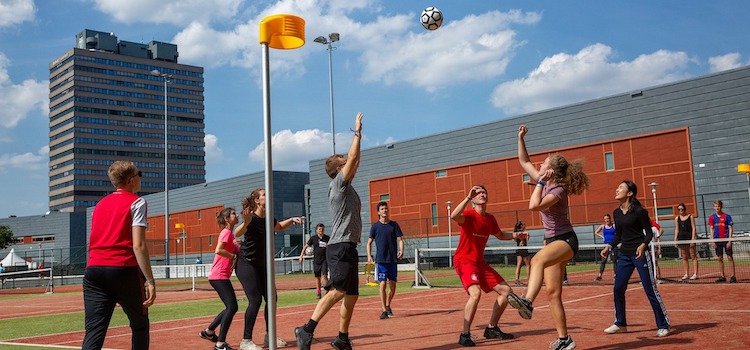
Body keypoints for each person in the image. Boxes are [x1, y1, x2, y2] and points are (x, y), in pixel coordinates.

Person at [507, 125, 589, 350]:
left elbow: (533, 206)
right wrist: (520, 138)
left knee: (536, 260)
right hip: (553, 241)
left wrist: (540, 182)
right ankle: (565, 339)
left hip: (566, 240)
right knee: (553, 294)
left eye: (544, 162)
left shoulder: (558, 190)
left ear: (551, 170)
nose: (540, 163)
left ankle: (528, 302)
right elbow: (524, 162)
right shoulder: (546, 182)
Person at [295, 112, 364, 350]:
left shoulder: (348, 187)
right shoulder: (338, 185)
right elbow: (354, 158)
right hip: (341, 246)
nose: (349, 162)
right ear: (338, 169)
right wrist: (357, 132)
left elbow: (355, 160)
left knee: (351, 295)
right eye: (344, 161)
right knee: (337, 291)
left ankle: (342, 338)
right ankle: (306, 330)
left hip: (349, 246)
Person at [82, 161, 156, 350]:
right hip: (123, 269)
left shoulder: (99, 205)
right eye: (139, 174)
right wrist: (150, 281)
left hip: (94, 271)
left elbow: (94, 241)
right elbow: (138, 245)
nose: (141, 177)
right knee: (139, 325)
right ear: (131, 180)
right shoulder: (137, 202)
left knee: (94, 331)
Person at [234, 189, 303, 350]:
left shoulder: (269, 217)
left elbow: (278, 227)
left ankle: (269, 335)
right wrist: (245, 222)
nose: (268, 195)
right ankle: (246, 340)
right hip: (246, 263)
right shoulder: (251, 217)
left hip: (262, 265)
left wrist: (292, 219)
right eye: (264, 194)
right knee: (256, 300)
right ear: (257, 201)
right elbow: (237, 232)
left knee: (272, 299)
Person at [600, 180, 670, 338]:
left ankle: (663, 325)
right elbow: (618, 235)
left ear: (629, 193)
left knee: (649, 289)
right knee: (618, 288)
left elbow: (650, 233)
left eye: (621, 188)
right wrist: (609, 247)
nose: (617, 189)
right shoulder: (616, 213)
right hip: (624, 254)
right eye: (618, 187)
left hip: (639, 254)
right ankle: (620, 323)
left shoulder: (639, 211)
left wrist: (643, 245)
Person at [452, 185, 517, 347]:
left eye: (484, 192)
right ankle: (465, 334)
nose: (482, 194)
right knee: (475, 293)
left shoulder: (490, 219)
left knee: (506, 291)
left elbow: (501, 235)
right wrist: (467, 197)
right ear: (473, 199)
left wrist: (517, 235)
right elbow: (454, 216)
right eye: (478, 193)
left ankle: (491, 328)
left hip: (480, 263)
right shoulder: (468, 215)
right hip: (464, 261)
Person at [200, 208, 241, 350]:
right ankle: (220, 344)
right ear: (226, 219)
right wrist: (233, 256)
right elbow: (218, 250)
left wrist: (237, 247)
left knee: (231, 307)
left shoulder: (231, 234)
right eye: (234, 214)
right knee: (232, 307)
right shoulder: (226, 232)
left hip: (220, 276)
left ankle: (209, 332)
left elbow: (229, 249)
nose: (237, 215)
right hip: (219, 276)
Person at [366, 201, 405, 320]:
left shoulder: (394, 225)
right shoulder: (375, 226)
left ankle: (388, 305)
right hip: (381, 260)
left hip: (392, 260)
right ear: (378, 212)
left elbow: (400, 240)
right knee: (382, 284)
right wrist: (369, 256)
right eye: (382, 209)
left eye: (386, 208)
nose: (385, 210)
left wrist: (401, 250)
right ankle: (383, 310)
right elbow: (369, 243)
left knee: (393, 286)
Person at [299, 223, 330, 299]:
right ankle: (318, 293)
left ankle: (327, 291)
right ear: (316, 230)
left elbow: (332, 247)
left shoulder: (327, 238)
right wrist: (301, 256)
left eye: (322, 229)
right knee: (317, 277)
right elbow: (305, 246)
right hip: (316, 260)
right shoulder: (313, 238)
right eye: (319, 229)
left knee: (325, 275)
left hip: (325, 260)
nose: (321, 231)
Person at [709, 200, 735, 283]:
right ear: (713, 207)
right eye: (716, 206)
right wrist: (713, 241)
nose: (717, 207)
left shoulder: (727, 216)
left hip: (726, 239)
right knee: (719, 258)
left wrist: (729, 241)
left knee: (729, 257)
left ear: (721, 206)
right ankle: (722, 276)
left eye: (719, 206)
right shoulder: (712, 217)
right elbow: (711, 229)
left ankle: (733, 276)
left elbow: (730, 229)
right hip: (717, 240)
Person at [673, 203, 698, 281]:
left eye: (682, 209)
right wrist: (675, 240)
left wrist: (693, 239)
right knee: (684, 257)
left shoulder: (690, 217)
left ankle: (695, 274)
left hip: (689, 238)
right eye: (679, 209)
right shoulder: (677, 218)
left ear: (685, 209)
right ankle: (686, 273)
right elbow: (677, 229)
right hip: (681, 239)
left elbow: (693, 228)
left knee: (693, 256)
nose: (681, 211)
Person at [594, 214, 617, 281]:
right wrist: (602, 237)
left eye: (607, 219)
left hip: (613, 245)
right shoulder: (603, 226)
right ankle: (599, 275)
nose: (606, 220)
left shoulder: (614, 226)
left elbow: (619, 232)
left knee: (614, 260)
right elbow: (596, 232)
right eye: (605, 219)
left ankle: (616, 275)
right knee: (603, 260)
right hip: (605, 245)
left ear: (610, 219)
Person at [513, 221, 531, 286]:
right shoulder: (520, 233)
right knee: (528, 265)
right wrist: (522, 240)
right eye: (523, 225)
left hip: (518, 249)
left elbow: (513, 239)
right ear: (521, 226)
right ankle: (529, 280)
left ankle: (517, 280)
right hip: (523, 249)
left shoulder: (516, 233)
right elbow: (521, 237)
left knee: (519, 265)